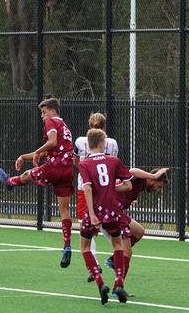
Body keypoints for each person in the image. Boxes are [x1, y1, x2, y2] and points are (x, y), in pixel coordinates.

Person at [0, 97, 75, 268]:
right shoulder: (65, 127)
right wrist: (25, 156)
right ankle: (67, 245)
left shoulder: (51, 122)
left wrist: (38, 152)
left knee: (27, 175)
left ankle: (10, 182)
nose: (42, 115)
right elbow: (54, 149)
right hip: (67, 171)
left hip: (54, 168)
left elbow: (51, 143)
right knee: (64, 210)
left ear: (52, 110)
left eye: (43, 111)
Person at [77, 128, 134, 305]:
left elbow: (87, 188)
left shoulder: (84, 164)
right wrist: (111, 188)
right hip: (112, 211)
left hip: (95, 210)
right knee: (118, 245)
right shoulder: (113, 160)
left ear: (89, 144)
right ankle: (119, 283)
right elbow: (128, 186)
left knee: (85, 248)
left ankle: (100, 282)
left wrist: (92, 214)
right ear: (102, 144)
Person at [104, 166, 169, 296]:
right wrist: (154, 175)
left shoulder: (140, 185)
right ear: (152, 180)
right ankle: (117, 288)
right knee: (127, 251)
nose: (157, 190)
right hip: (111, 211)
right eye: (159, 186)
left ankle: (113, 260)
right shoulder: (141, 179)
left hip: (117, 211)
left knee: (139, 231)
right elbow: (132, 171)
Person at [73, 112, 119, 282]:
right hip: (106, 190)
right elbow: (114, 164)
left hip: (84, 188)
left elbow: (76, 161)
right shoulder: (112, 143)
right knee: (110, 227)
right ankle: (118, 253)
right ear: (105, 126)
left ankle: (94, 266)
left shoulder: (79, 141)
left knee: (85, 232)